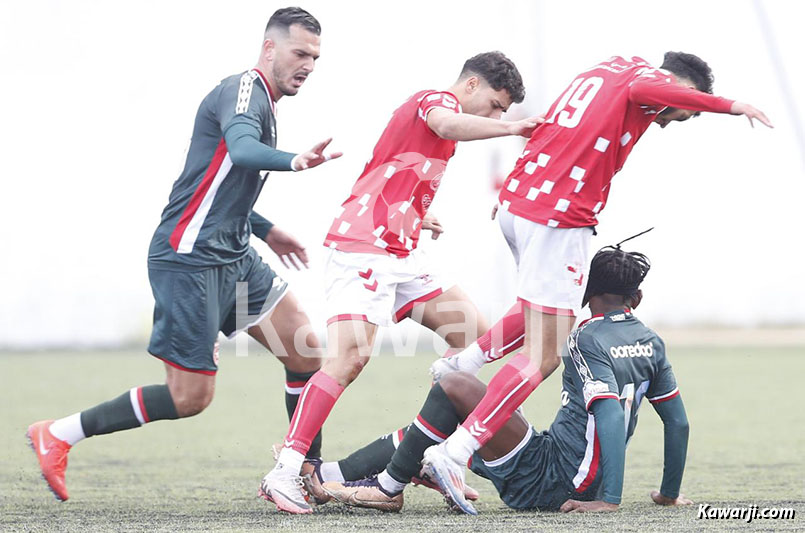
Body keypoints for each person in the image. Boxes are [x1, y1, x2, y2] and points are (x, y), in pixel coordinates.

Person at [26, 7, 341, 502]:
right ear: (269, 48)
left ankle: (302, 470)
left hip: (233, 256)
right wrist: (294, 161)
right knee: (189, 398)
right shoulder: (242, 90)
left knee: (305, 351)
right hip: (188, 260)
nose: (308, 64)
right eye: (300, 53)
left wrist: (265, 228)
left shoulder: (267, 103)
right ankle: (59, 433)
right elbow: (239, 150)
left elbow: (212, 184)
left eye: (315, 57)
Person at [423, 53, 772, 495]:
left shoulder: (604, 68)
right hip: (558, 217)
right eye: (685, 112)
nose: (669, 121)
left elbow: (550, 128)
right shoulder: (645, 81)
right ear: (683, 89)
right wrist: (730, 105)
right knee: (545, 352)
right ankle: (453, 454)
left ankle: (458, 364)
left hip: (524, 205)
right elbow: (651, 91)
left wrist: (515, 184)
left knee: (537, 309)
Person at [260, 51, 544, 514]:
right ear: (471, 86)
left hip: (401, 251)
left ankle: (421, 458)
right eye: (495, 105)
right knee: (349, 358)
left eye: (504, 114)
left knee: (473, 340)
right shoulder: (433, 101)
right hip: (363, 249)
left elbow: (391, 169)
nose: (496, 116)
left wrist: (415, 213)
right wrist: (512, 129)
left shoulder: (438, 117)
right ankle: (288, 471)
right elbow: (448, 125)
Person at [319, 246, 693, 515]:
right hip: (564, 466)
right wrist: (670, 493)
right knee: (455, 415)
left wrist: (610, 499)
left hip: (551, 479)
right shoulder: (650, 342)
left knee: (455, 386)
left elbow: (608, 413)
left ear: (584, 291)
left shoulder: (586, 337)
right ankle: (339, 474)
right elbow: (677, 423)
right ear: (637, 298)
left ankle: (387, 487)